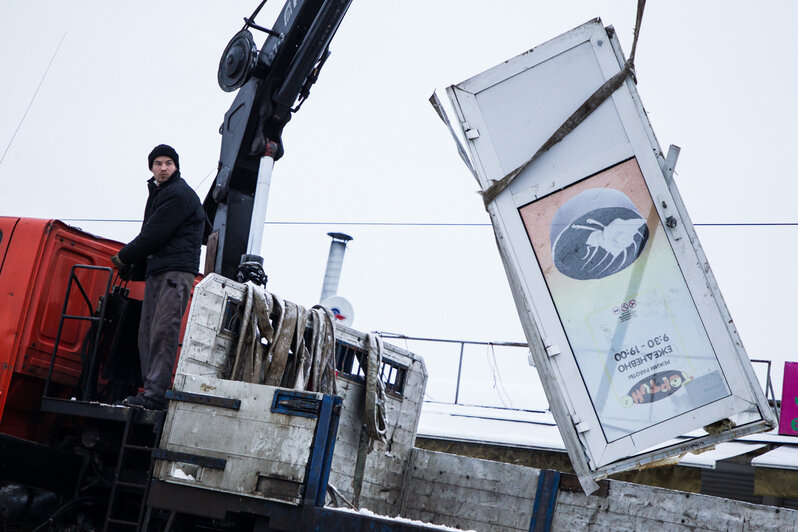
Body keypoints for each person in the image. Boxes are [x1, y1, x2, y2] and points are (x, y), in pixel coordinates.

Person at [111, 144, 204, 410]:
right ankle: (149, 391)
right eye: (158, 164)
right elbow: (153, 233)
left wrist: (124, 257)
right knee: (148, 332)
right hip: (158, 270)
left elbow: (155, 233)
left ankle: (155, 395)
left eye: (168, 163)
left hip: (175, 272)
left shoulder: (178, 194)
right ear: (151, 168)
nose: (163, 168)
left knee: (163, 331)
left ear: (176, 167)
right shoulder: (161, 193)